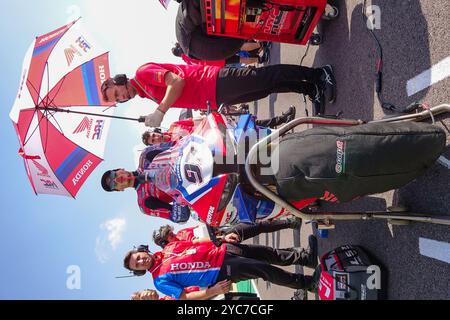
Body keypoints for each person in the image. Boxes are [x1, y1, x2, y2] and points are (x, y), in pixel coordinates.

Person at [100, 62, 336, 127]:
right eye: (117, 100)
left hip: (213, 81)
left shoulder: (142, 74)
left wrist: (160, 111)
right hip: (215, 97)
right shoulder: (143, 93)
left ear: (116, 81)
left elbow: (178, 81)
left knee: (265, 77)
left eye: (116, 93)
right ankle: (309, 89)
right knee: (266, 89)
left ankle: (317, 74)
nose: (121, 97)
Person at [122, 235, 318, 300]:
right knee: (264, 270)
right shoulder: (159, 281)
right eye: (137, 264)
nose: (141, 261)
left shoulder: (168, 247)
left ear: (141, 251)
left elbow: (195, 242)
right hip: (220, 270)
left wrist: (221, 238)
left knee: (267, 252)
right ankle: (308, 283)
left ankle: (305, 258)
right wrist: (211, 291)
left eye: (138, 257)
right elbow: (183, 297)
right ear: (139, 270)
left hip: (223, 249)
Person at [140, 106, 297, 146]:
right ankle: (285, 137)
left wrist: (208, 119)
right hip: (217, 145)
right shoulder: (172, 148)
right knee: (254, 142)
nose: (156, 138)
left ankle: (282, 119)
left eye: (153, 135)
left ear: (155, 131)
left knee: (251, 125)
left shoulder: (174, 125)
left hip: (217, 129)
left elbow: (195, 121)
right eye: (153, 141)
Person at [152, 218, 302, 249]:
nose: (173, 235)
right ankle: (298, 256)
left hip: (221, 235)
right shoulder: (178, 247)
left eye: (170, 232)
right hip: (220, 248)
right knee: (264, 254)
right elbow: (198, 243)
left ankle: (290, 223)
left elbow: (201, 229)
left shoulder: (182, 232)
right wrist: (221, 238)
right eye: (169, 237)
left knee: (256, 225)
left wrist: (215, 229)